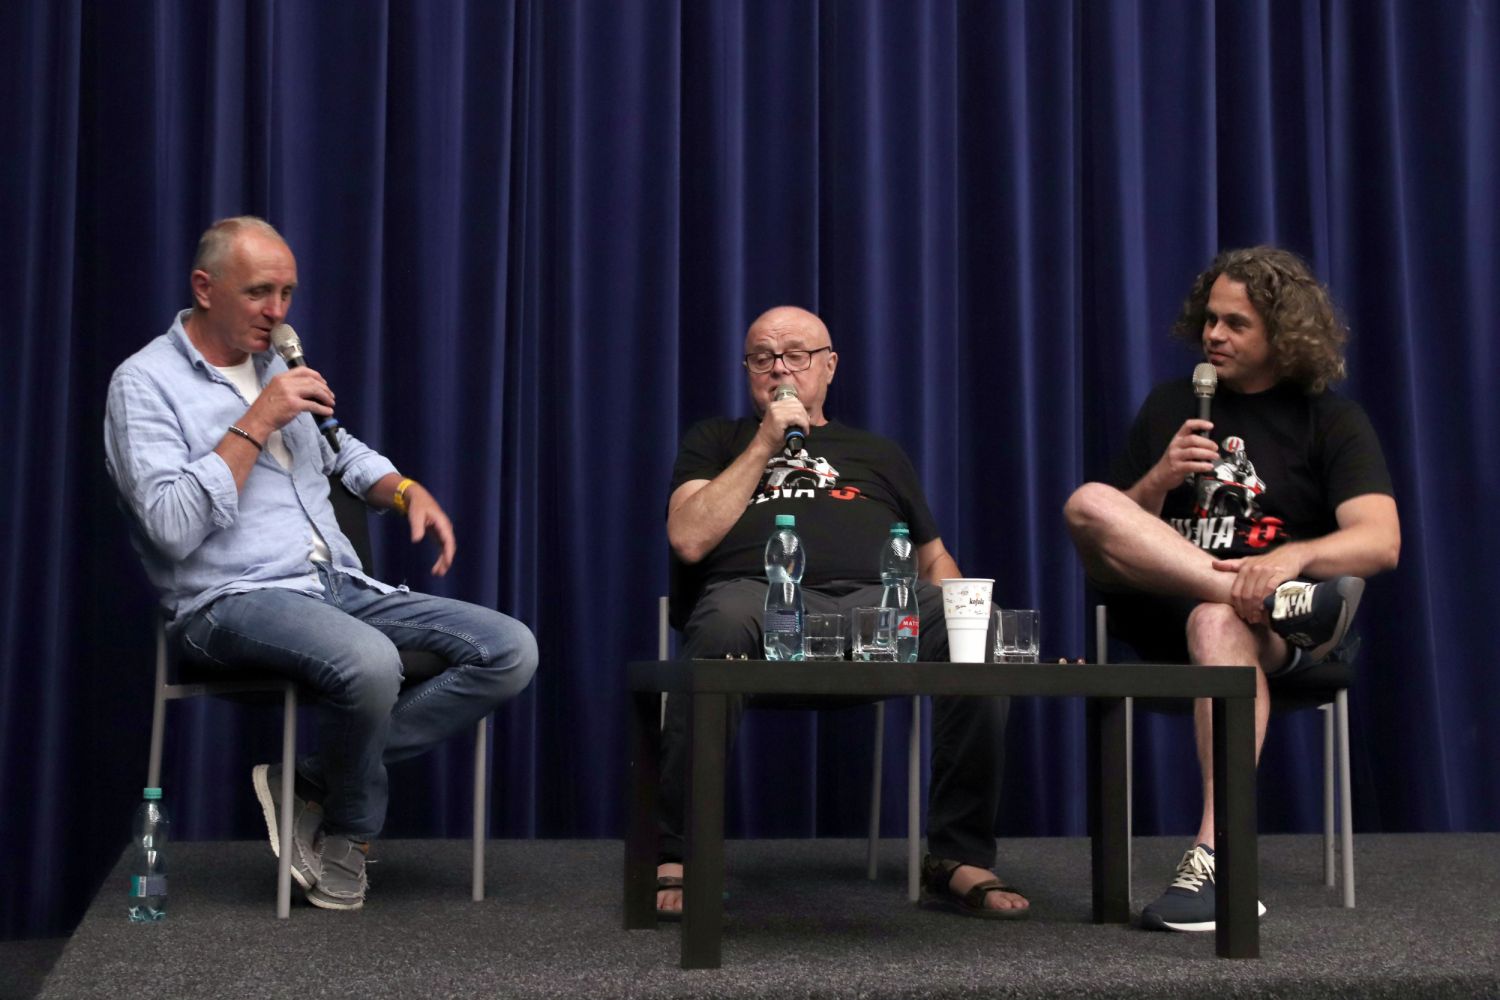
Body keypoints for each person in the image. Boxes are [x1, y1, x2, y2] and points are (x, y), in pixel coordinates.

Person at [105, 216, 538, 911]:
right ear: (204, 288)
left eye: (287, 293)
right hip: (227, 601)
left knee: (510, 649)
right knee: (371, 662)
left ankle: (309, 779)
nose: (276, 312)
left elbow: (339, 449)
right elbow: (171, 528)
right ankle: (351, 829)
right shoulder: (143, 384)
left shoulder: (273, 365)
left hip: (335, 584)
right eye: (259, 292)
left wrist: (403, 490)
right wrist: (257, 420)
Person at [1063, 246, 1400, 932]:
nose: (1213, 335)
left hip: (1271, 632)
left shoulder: (1329, 420)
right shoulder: (1172, 406)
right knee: (1088, 501)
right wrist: (1159, 478)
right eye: (1210, 320)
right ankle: (1245, 595)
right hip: (1173, 617)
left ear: (1284, 333)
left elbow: (1380, 541)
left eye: (1235, 324)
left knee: (1215, 622)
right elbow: (1105, 543)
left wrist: (1290, 558)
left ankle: (1216, 860)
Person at [656, 305, 1026, 920]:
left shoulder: (877, 453)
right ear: (747, 370)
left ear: (829, 366)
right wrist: (765, 442)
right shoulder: (716, 441)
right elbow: (689, 538)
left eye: (796, 355)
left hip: (880, 608)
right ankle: (680, 851)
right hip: (760, 602)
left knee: (979, 628)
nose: (780, 368)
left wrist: (964, 618)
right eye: (763, 357)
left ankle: (957, 856)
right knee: (722, 623)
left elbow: (934, 559)